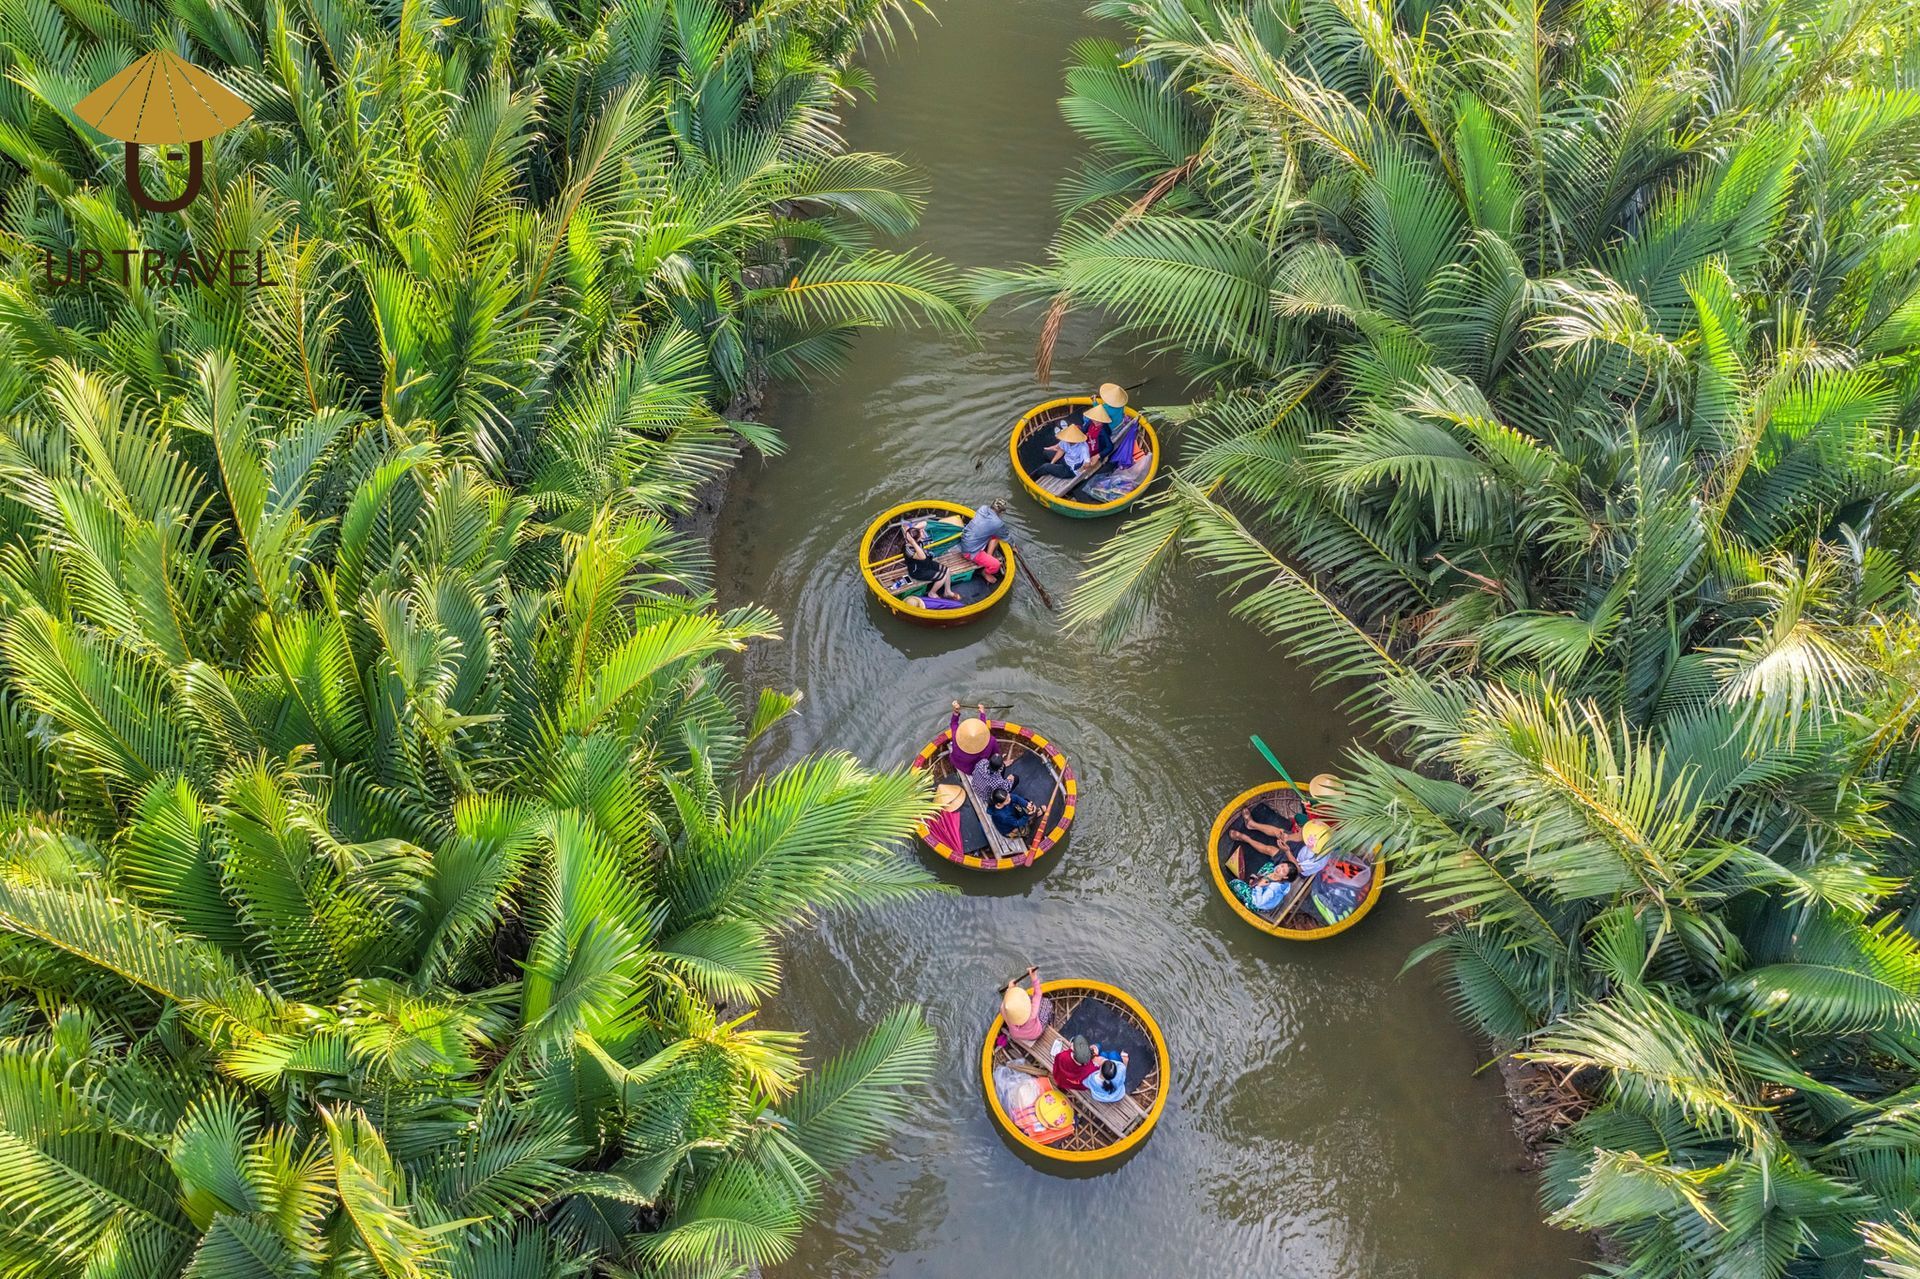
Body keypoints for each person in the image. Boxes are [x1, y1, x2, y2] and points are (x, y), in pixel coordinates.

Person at [901, 520, 959, 601]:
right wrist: (913, 542)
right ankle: (932, 593)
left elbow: (925, 523)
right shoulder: (908, 550)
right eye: (920, 534)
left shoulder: (916, 540)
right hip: (918, 571)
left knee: (947, 570)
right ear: (915, 540)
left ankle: (947, 591)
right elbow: (922, 557)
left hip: (925, 564)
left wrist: (913, 530)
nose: (922, 533)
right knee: (942, 576)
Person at [957, 499, 1009, 583]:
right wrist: (1013, 546)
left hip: (966, 541)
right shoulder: (998, 523)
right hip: (970, 552)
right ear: (1001, 513)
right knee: (996, 565)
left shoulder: (983, 508)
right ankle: (985, 572)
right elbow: (1006, 537)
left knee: (995, 535)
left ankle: (989, 556)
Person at [1001, 965, 1051, 1045]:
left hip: (1017, 1035)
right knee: (1047, 1002)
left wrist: (1009, 990)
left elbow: (1004, 1005)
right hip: (1035, 1034)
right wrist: (1033, 977)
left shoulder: (1005, 1011)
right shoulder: (1032, 1015)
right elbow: (1038, 994)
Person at [949, 701, 996, 773]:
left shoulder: (956, 735)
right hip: (972, 770)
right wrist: (982, 713)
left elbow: (953, 723)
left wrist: (956, 711)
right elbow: (995, 754)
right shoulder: (991, 741)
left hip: (956, 762)